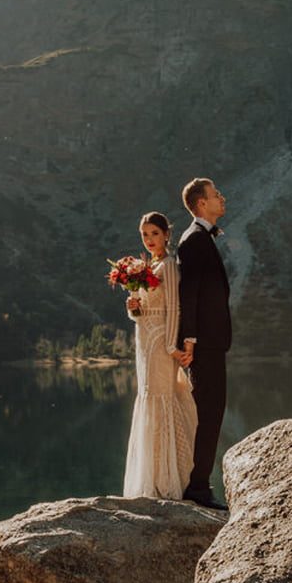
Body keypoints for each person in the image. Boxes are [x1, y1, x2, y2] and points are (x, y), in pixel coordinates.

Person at [122, 211, 198, 498]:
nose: (149, 239)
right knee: (147, 396)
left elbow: (174, 309)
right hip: (144, 342)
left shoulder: (167, 265)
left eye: (154, 233)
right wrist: (132, 306)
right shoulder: (147, 266)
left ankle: (168, 479)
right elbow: (142, 312)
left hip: (160, 344)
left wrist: (171, 346)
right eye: (145, 235)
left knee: (160, 398)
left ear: (167, 234)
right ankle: (150, 478)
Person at [175, 177, 230, 511]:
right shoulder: (194, 240)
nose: (221, 198)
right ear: (200, 204)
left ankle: (198, 482)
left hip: (211, 342)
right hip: (205, 344)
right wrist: (191, 338)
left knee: (212, 412)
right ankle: (197, 486)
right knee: (209, 413)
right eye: (215, 194)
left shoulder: (200, 238)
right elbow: (189, 293)